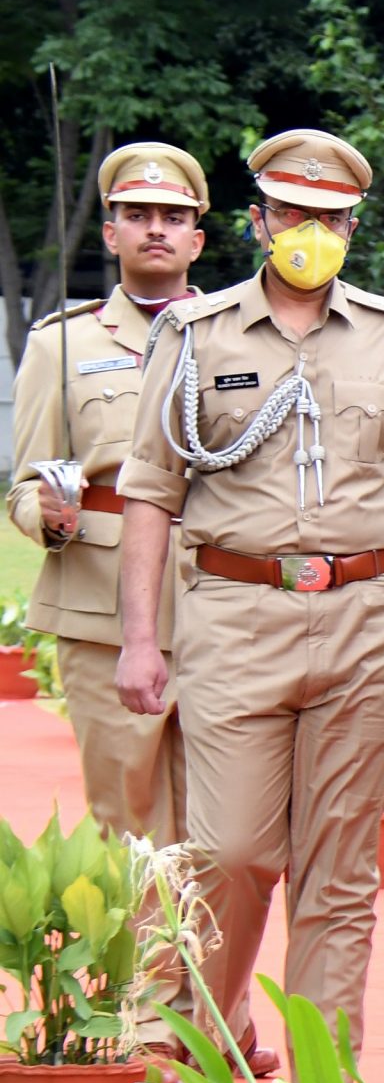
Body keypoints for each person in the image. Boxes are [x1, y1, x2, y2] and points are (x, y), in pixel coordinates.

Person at [115, 128, 384, 1083]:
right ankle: (207, 1046)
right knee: (229, 853)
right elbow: (150, 490)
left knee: (340, 870)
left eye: (331, 217)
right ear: (258, 220)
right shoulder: (196, 336)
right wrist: (142, 638)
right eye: (293, 213)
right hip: (235, 609)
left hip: (367, 612)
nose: (311, 230)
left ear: (352, 227)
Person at [9, 142, 204, 854]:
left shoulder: (244, 336)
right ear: (110, 233)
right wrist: (50, 517)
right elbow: (27, 483)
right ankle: (151, 971)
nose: (156, 227)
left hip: (228, 602)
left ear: (197, 238)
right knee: (130, 817)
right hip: (106, 611)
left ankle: (216, 970)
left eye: (172, 216)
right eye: (137, 214)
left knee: (231, 821)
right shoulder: (61, 345)